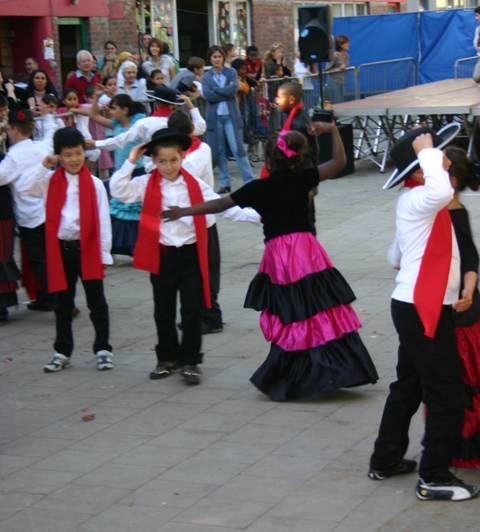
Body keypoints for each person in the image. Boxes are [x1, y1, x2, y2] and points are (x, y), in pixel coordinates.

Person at [161, 125, 378, 400]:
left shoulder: (259, 188)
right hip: (306, 249)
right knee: (318, 308)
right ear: (296, 157)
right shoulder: (302, 178)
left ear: (267, 160)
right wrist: (333, 129)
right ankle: (334, 368)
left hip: (280, 256)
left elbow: (219, 204)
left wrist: (184, 211)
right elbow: (340, 162)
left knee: (293, 311)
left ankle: (300, 374)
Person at [369, 124, 480, 502]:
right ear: (420, 168)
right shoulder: (423, 196)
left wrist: (460, 279)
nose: (444, 159)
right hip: (422, 308)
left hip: (418, 304)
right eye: (437, 155)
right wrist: (426, 150)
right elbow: (442, 189)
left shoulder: (418, 200)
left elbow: (395, 257)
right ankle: (433, 476)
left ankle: (385, 459)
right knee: (447, 395)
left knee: (409, 386)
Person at [109, 128, 260, 384]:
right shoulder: (146, 183)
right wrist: (131, 159)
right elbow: (118, 190)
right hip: (163, 256)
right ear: (154, 161)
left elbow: (223, 207)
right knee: (163, 311)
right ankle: (167, 358)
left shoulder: (194, 185)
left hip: (191, 255)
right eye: (162, 161)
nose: (168, 167)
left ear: (182, 157)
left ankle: (190, 361)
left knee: (191, 310)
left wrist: (259, 217)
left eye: (173, 160)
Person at [17, 128, 114, 373]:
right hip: (61, 250)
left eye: (78, 153)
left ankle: (103, 349)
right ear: (59, 155)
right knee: (63, 304)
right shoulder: (50, 181)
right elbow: (24, 187)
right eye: (68, 154)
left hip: (88, 248)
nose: (74, 159)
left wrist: (104, 253)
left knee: (97, 303)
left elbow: (103, 220)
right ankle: (62, 351)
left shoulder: (94, 184)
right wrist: (43, 166)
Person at [168, 109, 223, 334]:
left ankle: (211, 315)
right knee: (201, 271)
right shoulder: (203, 148)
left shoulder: (189, 160)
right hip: (201, 219)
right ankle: (200, 313)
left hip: (199, 219)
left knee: (205, 271)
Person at [442, 146, 480, 469]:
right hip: (442, 307)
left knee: (462, 377)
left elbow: (471, 259)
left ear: (451, 180)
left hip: (461, 310)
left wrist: (467, 291)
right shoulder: (437, 210)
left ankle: (461, 445)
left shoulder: (455, 213)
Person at [0, 108, 56, 311]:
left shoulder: (13, 157)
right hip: (47, 213)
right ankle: (48, 298)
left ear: (14, 130)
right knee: (48, 258)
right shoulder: (41, 148)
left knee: (38, 260)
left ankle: (56, 299)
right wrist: (49, 116)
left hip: (29, 217)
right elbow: (51, 134)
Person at [88, 87, 147, 255]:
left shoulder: (138, 124)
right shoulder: (116, 125)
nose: (110, 112)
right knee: (119, 208)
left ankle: (135, 245)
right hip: (120, 173)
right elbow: (93, 115)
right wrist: (96, 97)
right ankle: (123, 245)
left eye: (113, 108)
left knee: (132, 209)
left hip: (136, 171)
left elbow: (117, 142)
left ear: (124, 110)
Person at [87, 86, 205, 158]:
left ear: (157, 103)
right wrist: (190, 106)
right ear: (173, 104)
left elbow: (121, 140)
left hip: (153, 170)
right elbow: (201, 127)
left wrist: (97, 144)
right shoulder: (180, 123)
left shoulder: (145, 123)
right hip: (176, 168)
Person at [203, 45, 255, 194]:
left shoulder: (231, 72)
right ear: (210, 59)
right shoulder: (207, 76)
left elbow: (233, 90)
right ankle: (225, 183)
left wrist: (217, 90)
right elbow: (208, 95)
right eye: (214, 57)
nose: (217, 59)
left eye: (219, 56)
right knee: (219, 150)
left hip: (230, 116)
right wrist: (225, 91)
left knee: (237, 148)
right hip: (216, 118)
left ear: (223, 58)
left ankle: (249, 181)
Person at [0, 95, 21, 323]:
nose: (4, 114)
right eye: (1, 110)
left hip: (3, 205)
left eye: (5, 109)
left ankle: (3, 305)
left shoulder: (7, 136)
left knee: (3, 252)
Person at [325, 35, 350, 104]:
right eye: (346, 43)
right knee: (336, 102)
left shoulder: (347, 56)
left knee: (341, 102)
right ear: (341, 45)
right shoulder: (335, 55)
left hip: (342, 82)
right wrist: (339, 68)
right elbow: (327, 70)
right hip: (334, 82)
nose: (348, 44)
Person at [473, 7, 480, 84]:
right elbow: (476, 45)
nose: (476, 18)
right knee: (476, 77)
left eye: (477, 15)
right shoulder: (477, 29)